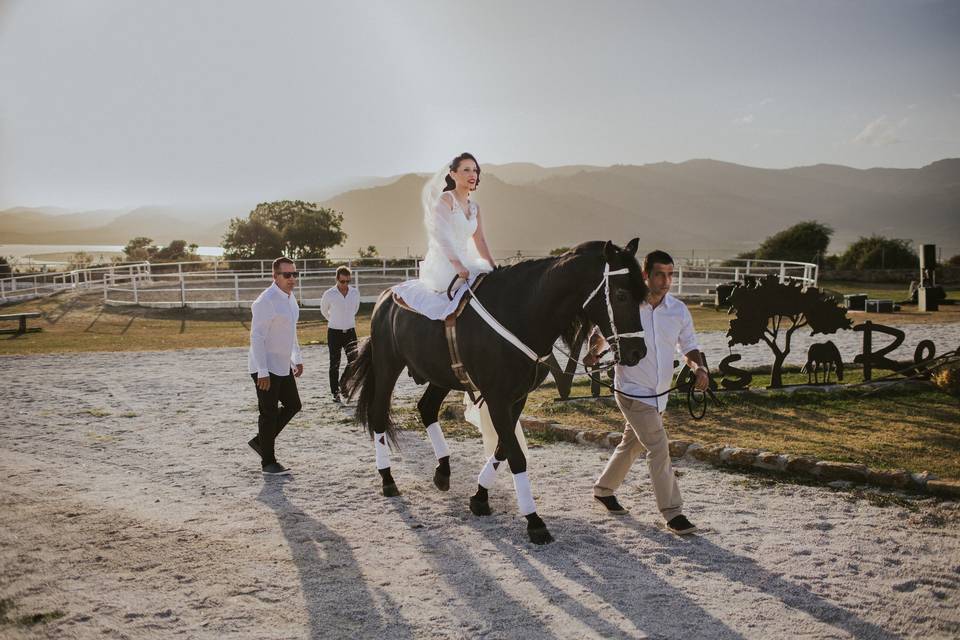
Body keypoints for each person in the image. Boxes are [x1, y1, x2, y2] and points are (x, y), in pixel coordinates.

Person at [586, 250, 709, 535]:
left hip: (659, 395)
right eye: (659, 274)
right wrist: (594, 353)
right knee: (658, 447)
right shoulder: (628, 304)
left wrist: (699, 368)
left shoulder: (678, 309)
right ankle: (673, 512)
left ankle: (603, 489)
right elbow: (602, 334)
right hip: (631, 391)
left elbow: (688, 345)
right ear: (645, 275)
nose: (666, 281)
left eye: (670, 274)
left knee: (632, 444)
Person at [247, 256, 304, 476]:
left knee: (293, 405)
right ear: (275, 276)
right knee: (268, 413)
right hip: (264, 366)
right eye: (287, 275)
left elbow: (291, 330)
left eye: (294, 274)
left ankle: (262, 441)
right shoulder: (265, 301)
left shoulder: (290, 298)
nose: (292, 279)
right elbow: (256, 336)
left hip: (282, 363)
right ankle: (268, 462)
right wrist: (262, 370)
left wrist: (296, 357)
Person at [320, 265, 360, 403]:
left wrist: (346, 321)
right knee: (334, 363)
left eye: (348, 281)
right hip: (334, 333)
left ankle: (343, 384)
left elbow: (355, 309)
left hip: (350, 331)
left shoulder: (354, 293)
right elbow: (324, 311)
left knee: (354, 361)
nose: (345, 284)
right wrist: (335, 321)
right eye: (342, 281)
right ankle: (335, 392)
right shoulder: (329, 294)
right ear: (337, 279)